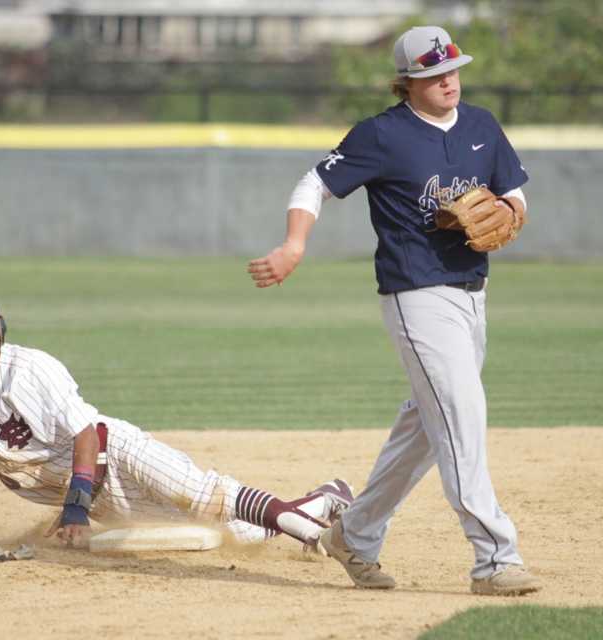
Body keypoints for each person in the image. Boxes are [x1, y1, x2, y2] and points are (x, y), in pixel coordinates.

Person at [248, 26, 541, 596]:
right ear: (408, 82)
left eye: (452, 69)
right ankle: (495, 560)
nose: (448, 80)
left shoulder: (481, 125)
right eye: (433, 74)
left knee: (430, 430)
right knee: (462, 413)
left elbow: (516, 193)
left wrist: (507, 207)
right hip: (416, 294)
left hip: (472, 292)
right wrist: (294, 244)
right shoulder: (382, 135)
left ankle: (353, 536)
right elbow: (314, 184)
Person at [0, 283, 354, 550]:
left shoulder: (32, 369)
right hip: (95, 497)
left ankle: (313, 534)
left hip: (117, 454)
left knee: (202, 493)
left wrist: (72, 511)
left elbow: (86, 434)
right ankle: (322, 500)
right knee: (219, 530)